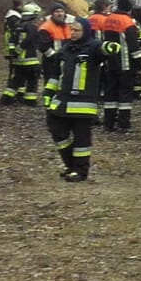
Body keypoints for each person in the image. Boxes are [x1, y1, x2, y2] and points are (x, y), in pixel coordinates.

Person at [47, 18, 105, 182]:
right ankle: (70, 163)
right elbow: (56, 74)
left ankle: (80, 170)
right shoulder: (66, 49)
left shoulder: (93, 47)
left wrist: (110, 47)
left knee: (81, 139)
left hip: (83, 104)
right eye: (71, 30)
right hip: (62, 100)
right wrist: (47, 93)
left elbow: (103, 51)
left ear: (85, 31)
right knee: (56, 129)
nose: (73, 33)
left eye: (77, 30)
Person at [96, 0, 141, 133]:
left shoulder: (107, 20)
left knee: (110, 94)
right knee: (125, 95)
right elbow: (133, 46)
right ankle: (124, 124)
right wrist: (139, 63)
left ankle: (108, 123)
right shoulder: (128, 23)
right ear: (129, 9)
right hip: (125, 65)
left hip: (110, 63)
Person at [1, 2, 44, 105]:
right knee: (32, 81)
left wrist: (13, 51)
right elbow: (29, 40)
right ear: (33, 15)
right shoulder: (32, 28)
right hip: (30, 61)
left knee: (16, 80)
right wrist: (19, 50)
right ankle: (30, 100)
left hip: (17, 61)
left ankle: (6, 98)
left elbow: (11, 40)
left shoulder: (16, 26)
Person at [37, 3, 74, 108]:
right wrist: (55, 57)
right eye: (57, 12)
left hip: (65, 60)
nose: (60, 14)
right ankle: (48, 102)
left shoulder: (67, 26)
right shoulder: (46, 27)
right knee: (50, 82)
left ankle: (60, 102)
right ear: (52, 14)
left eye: (61, 11)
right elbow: (43, 46)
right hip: (51, 61)